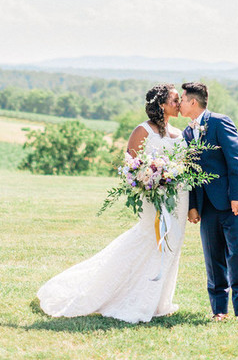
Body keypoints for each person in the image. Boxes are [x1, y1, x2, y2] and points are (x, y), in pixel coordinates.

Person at [36, 83, 188, 324]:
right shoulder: (142, 131)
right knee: (150, 240)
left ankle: (159, 301)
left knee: (172, 245)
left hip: (178, 199)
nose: (179, 104)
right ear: (161, 105)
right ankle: (128, 297)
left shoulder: (181, 134)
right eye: (175, 100)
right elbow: (131, 167)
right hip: (153, 199)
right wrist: (151, 178)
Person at [180, 81, 238, 326]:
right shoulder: (187, 133)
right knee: (213, 259)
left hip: (234, 203)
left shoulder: (220, 122)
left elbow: (237, 159)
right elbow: (190, 172)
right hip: (207, 206)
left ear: (193, 101)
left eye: (181, 99)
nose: (179, 103)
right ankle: (219, 310)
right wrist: (192, 205)